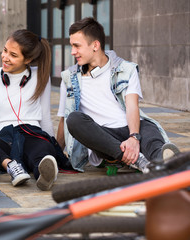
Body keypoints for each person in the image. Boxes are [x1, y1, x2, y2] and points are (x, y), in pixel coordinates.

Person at [56, 17, 180, 173]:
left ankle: (166, 165)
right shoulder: (69, 78)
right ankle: (139, 160)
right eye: (71, 46)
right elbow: (64, 119)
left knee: (151, 135)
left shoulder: (126, 69)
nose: (72, 51)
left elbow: (132, 106)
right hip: (105, 138)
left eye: (76, 46)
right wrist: (56, 154)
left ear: (95, 45)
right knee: (74, 120)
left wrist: (134, 137)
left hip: (134, 127)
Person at [0, 29, 71, 191]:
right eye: (5, 51)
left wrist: (56, 150)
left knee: (41, 149)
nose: (5, 57)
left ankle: (45, 173)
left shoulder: (41, 76)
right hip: (2, 141)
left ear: (28, 59)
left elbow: (45, 117)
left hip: (32, 135)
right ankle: (11, 166)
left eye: (13, 55)